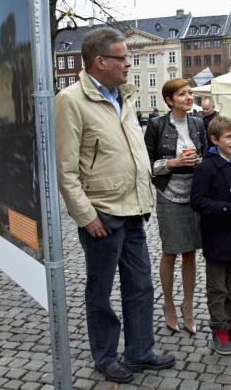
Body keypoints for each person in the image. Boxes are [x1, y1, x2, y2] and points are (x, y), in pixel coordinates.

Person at [54, 28, 175, 384]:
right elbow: (65, 167)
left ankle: (139, 351)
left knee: (140, 286)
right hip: (102, 215)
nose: (129, 63)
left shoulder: (126, 95)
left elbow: (133, 152)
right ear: (100, 61)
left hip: (133, 210)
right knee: (101, 291)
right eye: (122, 57)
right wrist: (85, 215)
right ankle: (105, 356)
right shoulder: (71, 100)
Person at [190, 115, 231, 356]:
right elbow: (197, 201)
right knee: (217, 288)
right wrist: (230, 210)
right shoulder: (206, 166)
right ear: (214, 139)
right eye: (229, 136)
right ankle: (219, 329)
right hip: (217, 237)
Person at [144, 78, 206, 335]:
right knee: (170, 251)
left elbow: (207, 156)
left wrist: (198, 161)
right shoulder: (156, 125)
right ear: (170, 100)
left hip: (195, 195)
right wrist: (174, 162)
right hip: (169, 195)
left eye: (190, 93)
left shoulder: (198, 123)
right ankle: (169, 305)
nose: (188, 97)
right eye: (182, 94)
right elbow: (147, 165)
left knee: (190, 252)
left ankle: (188, 307)